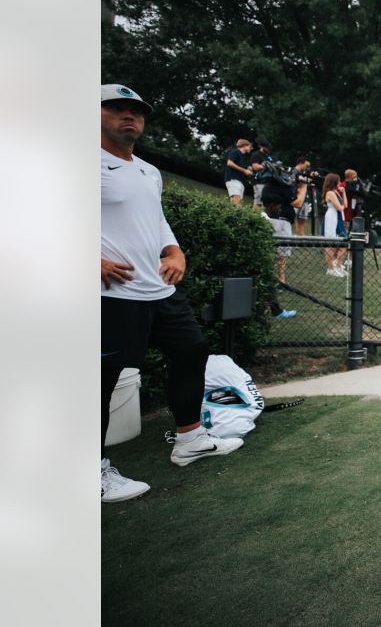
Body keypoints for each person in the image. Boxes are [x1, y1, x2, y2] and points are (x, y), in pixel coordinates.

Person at [100, 84, 243, 503]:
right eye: (117, 108)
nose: (130, 116)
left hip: (157, 288)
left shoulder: (148, 171)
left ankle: (189, 440)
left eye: (136, 111)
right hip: (111, 292)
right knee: (99, 379)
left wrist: (175, 251)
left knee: (192, 350)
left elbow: (157, 220)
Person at [260, 191, 297, 320]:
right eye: (278, 207)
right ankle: (275, 312)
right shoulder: (264, 219)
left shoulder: (267, 218)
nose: (280, 210)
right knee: (267, 284)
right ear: (271, 206)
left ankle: (274, 311)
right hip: (261, 259)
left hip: (265, 258)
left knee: (268, 285)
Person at [321, 172, 348, 276]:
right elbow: (340, 207)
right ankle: (330, 269)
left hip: (339, 218)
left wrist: (343, 193)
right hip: (332, 218)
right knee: (331, 244)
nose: (340, 183)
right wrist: (341, 207)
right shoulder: (330, 193)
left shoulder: (335, 192)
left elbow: (345, 205)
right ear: (334, 182)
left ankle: (337, 264)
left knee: (343, 243)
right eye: (338, 181)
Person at [223, 138, 254, 204]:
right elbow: (229, 163)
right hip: (233, 180)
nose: (251, 148)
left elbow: (241, 168)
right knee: (236, 204)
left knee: (235, 204)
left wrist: (247, 169)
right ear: (244, 145)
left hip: (239, 182)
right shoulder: (235, 152)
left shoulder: (242, 157)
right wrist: (244, 171)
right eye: (249, 146)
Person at [248, 138, 276, 208]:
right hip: (257, 180)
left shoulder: (268, 156)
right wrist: (265, 165)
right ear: (261, 147)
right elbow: (254, 167)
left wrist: (274, 165)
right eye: (267, 148)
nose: (268, 149)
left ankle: (258, 215)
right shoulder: (256, 154)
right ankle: (254, 216)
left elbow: (272, 164)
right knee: (259, 199)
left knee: (263, 200)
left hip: (266, 181)